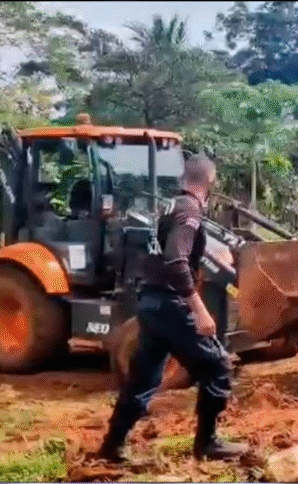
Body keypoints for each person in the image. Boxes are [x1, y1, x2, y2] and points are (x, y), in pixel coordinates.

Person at [98, 154, 249, 461]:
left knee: (142, 379)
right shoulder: (189, 211)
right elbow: (176, 260)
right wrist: (199, 309)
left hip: (151, 304)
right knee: (217, 366)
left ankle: (111, 447)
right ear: (210, 180)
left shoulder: (171, 206)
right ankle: (207, 444)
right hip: (170, 304)